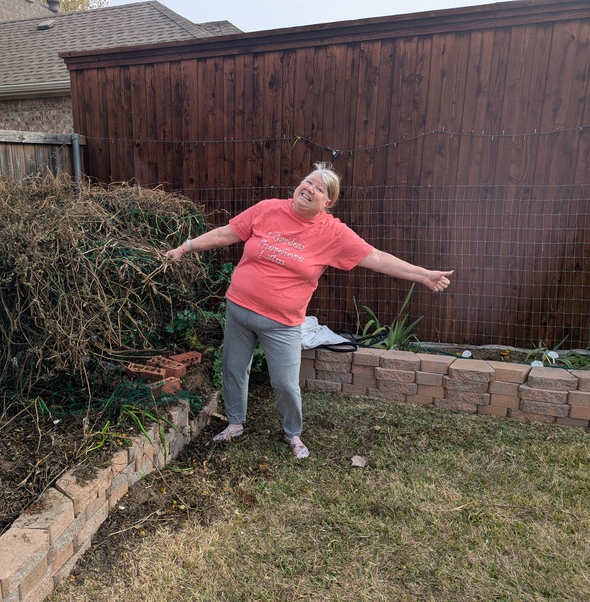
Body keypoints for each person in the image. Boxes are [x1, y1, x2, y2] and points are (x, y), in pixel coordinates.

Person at [166, 163, 453, 459]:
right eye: (308, 181)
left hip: (281, 324)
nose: (310, 189)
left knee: (286, 384)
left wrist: (422, 275)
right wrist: (185, 247)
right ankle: (235, 424)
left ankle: (293, 433)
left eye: (320, 189)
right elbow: (225, 234)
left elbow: (376, 258)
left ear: (328, 201)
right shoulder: (267, 209)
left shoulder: (333, 233)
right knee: (233, 370)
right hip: (239, 310)